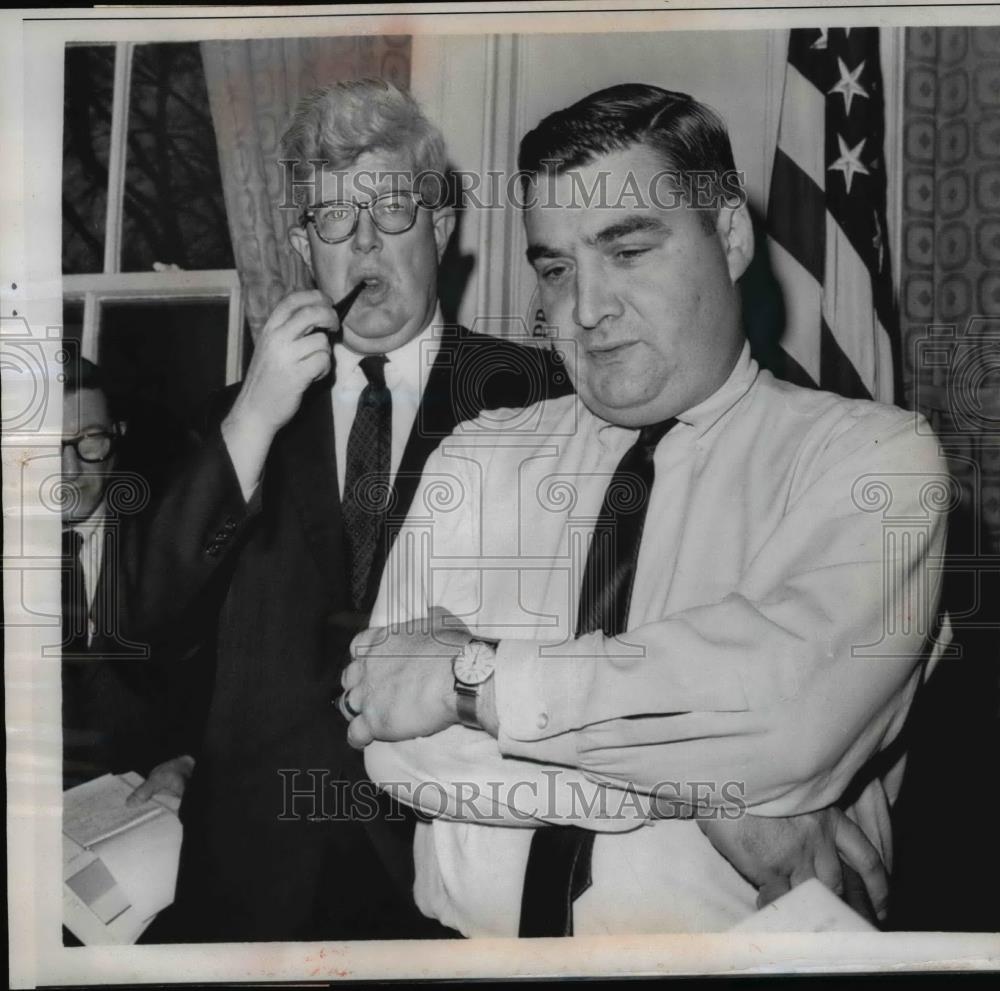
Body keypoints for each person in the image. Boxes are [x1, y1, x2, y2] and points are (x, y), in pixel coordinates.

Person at [342, 84, 948, 936]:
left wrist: (467, 677)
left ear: (729, 235)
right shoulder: (476, 456)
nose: (586, 310)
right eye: (557, 269)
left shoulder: (872, 459)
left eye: (627, 251)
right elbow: (391, 737)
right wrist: (715, 790)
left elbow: (783, 716)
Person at [122, 78, 571, 942]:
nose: (365, 242)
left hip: (453, 875)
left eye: (393, 210)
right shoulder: (235, 416)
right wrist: (250, 417)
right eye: (333, 219)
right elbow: (144, 625)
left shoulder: (540, 395)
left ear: (440, 227)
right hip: (253, 880)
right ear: (301, 244)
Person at [60, 357, 183, 788]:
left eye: (89, 441)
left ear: (119, 437)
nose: (67, 471)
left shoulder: (171, 546)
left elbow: (229, 687)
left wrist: (188, 761)